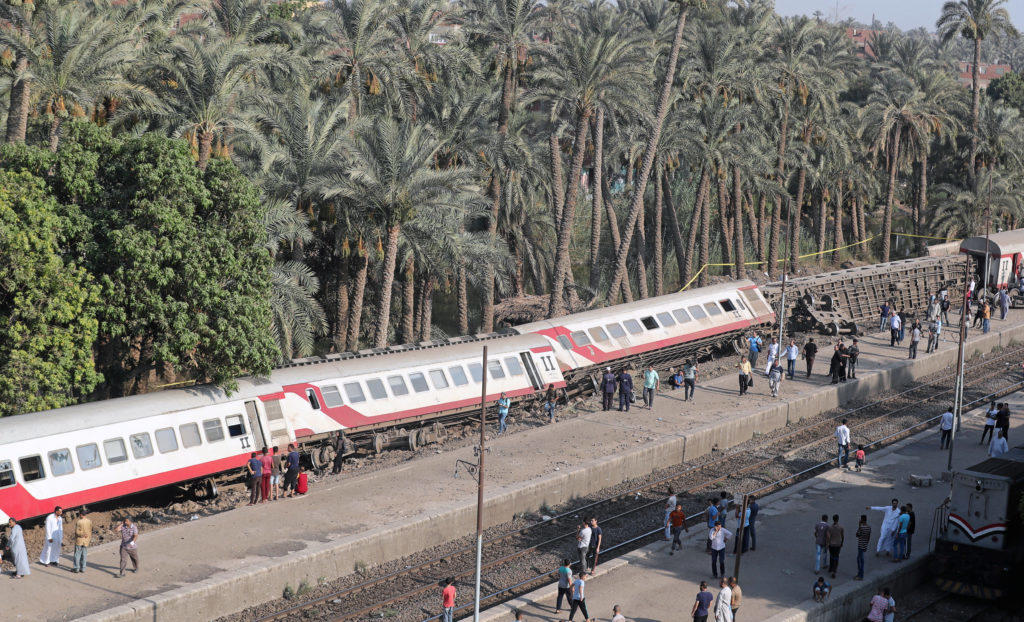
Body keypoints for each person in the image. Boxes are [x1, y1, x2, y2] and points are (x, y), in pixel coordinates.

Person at [73, 507, 92, 573]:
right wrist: (88, 538)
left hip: (79, 541)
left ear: (81, 514)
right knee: (84, 555)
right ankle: (83, 568)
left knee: (77, 555)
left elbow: (77, 532)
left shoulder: (79, 522)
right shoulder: (89, 521)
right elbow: (90, 530)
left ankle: (76, 568)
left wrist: (82, 534)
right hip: (86, 541)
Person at [854, 514, 871, 580]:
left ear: (862, 520)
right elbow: (869, 536)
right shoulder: (869, 527)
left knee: (860, 560)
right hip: (865, 545)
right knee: (861, 559)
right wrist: (866, 544)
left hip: (860, 545)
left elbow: (857, 535)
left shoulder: (861, 527)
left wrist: (859, 526)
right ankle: (860, 574)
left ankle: (860, 575)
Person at [827, 514, 844, 578]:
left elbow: (828, 537)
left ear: (833, 519)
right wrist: (842, 543)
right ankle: (834, 570)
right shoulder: (841, 527)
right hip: (838, 544)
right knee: (836, 557)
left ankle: (831, 568)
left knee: (831, 556)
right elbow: (842, 536)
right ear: (838, 519)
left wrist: (827, 544)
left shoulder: (830, 528)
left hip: (831, 544)